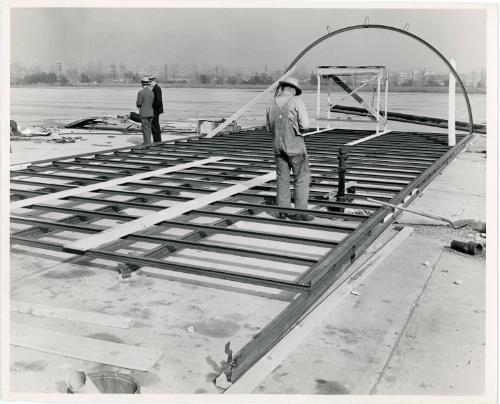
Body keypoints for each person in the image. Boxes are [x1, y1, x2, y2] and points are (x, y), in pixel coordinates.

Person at [266, 77, 313, 221]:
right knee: (302, 177)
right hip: (295, 146)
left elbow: (268, 127)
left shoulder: (271, 103)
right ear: (293, 89)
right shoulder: (296, 101)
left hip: (277, 146)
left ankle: (282, 211)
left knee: (282, 178)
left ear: (282, 88)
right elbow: (305, 125)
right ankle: (300, 212)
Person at [136, 76, 154, 145]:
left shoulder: (141, 92)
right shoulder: (151, 92)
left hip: (144, 113)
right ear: (148, 83)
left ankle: (146, 144)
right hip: (151, 113)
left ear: (142, 83)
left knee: (145, 129)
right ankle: (148, 142)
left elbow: (139, 103)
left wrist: (138, 105)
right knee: (149, 129)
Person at [149, 75, 164, 142]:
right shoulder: (155, 87)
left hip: (156, 110)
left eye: (150, 80)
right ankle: (157, 140)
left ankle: (157, 140)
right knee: (155, 125)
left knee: (155, 125)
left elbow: (158, 100)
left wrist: (154, 108)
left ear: (153, 80)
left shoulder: (156, 88)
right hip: (156, 109)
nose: (149, 82)